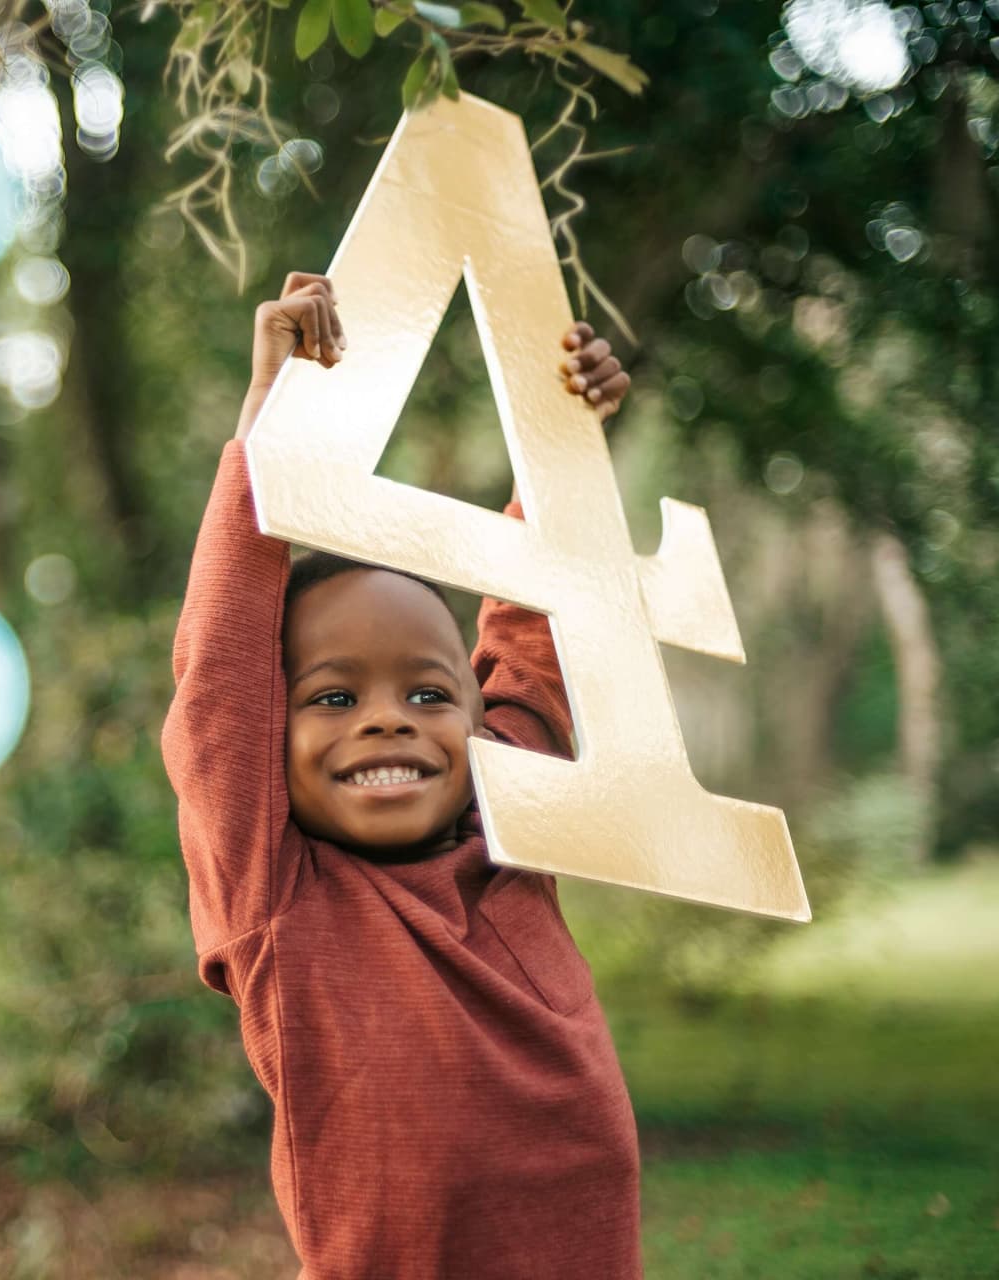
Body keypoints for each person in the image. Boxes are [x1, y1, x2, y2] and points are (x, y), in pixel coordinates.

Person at [160, 271, 641, 1279]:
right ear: (271, 734)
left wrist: (563, 440)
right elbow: (219, 684)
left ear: (475, 719)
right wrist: (270, 435)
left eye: (429, 693)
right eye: (333, 697)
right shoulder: (276, 898)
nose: (388, 716)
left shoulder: (513, 817)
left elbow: (531, 632)